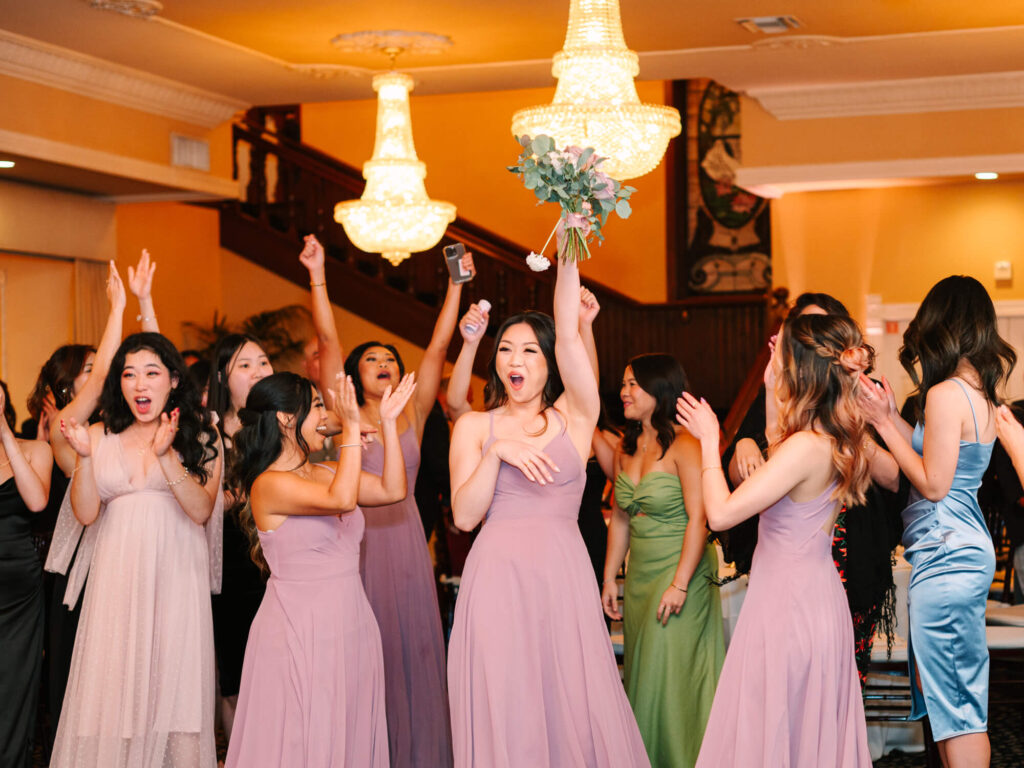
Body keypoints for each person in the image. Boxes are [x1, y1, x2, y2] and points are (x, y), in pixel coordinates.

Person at [447, 258, 649, 767]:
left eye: (529, 350)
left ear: (551, 362)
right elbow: (465, 517)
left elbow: (569, 335)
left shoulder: (574, 417)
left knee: (570, 701)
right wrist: (497, 453)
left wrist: (568, 249)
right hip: (496, 578)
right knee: (507, 700)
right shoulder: (474, 427)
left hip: (562, 574)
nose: (514, 360)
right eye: (505, 349)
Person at [676, 312, 875, 768]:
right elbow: (776, 445)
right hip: (812, 596)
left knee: (778, 723)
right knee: (795, 728)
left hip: (789, 606)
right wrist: (769, 386)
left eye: (782, 355)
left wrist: (709, 441)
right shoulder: (828, 438)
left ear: (801, 370)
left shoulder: (806, 447)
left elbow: (721, 513)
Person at [301, 234, 469, 767]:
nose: (383, 363)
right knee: (368, 650)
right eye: (371, 358)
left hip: (408, 541)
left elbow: (437, 348)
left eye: (390, 359)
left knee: (413, 650)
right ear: (354, 375)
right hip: (359, 544)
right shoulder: (343, 410)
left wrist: (455, 286)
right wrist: (317, 275)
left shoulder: (411, 411)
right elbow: (328, 339)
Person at [859, 275, 1015, 768]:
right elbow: (934, 456)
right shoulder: (974, 390)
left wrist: (880, 424)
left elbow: (931, 483)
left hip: (948, 553)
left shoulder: (946, 393)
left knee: (958, 706)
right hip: (954, 547)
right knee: (948, 699)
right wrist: (890, 414)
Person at [224, 371, 415, 768]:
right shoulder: (267, 485)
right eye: (315, 407)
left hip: (351, 622)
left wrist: (388, 423)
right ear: (285, 418)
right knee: (302, 738)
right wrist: (349, 428)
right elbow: (342, 499)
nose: (325, 416)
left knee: (347, 730)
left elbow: (393, 490)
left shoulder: (328, 470)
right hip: (300, 628)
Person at [51, 332, 222, 768]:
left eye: (151, 373)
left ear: (174, 380)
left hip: (178, 578)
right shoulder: (99, 435)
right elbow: (86, 513)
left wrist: (166, 456)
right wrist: (85, 458)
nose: (139, 384)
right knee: (114, 696)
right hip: (118, 581)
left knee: (177, 693)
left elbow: (201, 510)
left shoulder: (203, 437)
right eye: (129, 374)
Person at [42, 254, 159, 753]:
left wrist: (144, 304)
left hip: (136, 566)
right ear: (70, 385)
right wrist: (116, 310)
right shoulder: (68, 429)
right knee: (92, 693)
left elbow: (162, 373)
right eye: (94, 369)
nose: (109, 374)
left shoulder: (130, 429)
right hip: (87, 573)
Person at [601, 354, 724, 768]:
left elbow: (700, 519)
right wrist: (609, 578)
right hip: (640, 576)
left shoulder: (686, 444)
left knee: (671, 673)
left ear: (659, 388)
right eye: (623, 384)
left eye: (633, 384)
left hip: (682, 570)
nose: (624, 392)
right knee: (643, 671)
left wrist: (680, 583)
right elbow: (621, 518)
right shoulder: (626, 446)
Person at [206, 333, 273, 739]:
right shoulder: (210, 431)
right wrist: (231, 498)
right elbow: (197, 500)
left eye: (263, 361)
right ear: (222, 378)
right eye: (244, 365)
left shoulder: (283, 423)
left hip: (281, 562)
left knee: (277, 674)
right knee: (235, 678)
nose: (258, 371)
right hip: (232, 566)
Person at [0, 379, 53, 767]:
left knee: (14, 684)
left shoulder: (36, 450)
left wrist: (4, 432)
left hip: (18, 588)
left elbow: (36, 501)